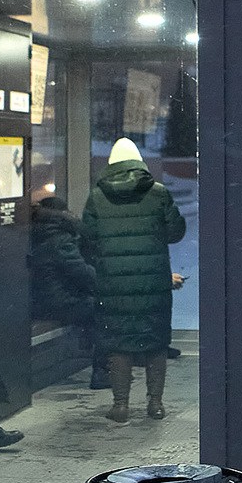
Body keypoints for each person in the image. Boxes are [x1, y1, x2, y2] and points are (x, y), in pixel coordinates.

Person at [82, 137, 186, 422]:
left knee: (119, 342)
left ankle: (121, 406)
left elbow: (87, 243)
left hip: (113, 284)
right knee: (155, 340)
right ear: (139, 163)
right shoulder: (158, 193)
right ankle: (155, 403)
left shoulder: (96, 196)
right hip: (153, 281)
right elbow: (176, 232)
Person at [30, 194, 104, 387]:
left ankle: (90, 347)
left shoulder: (36, 233)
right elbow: (82, 273)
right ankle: (103, 372)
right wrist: (107, 284)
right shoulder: (60, 239)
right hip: (58, 302)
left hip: (39, 300)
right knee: (105, 309)